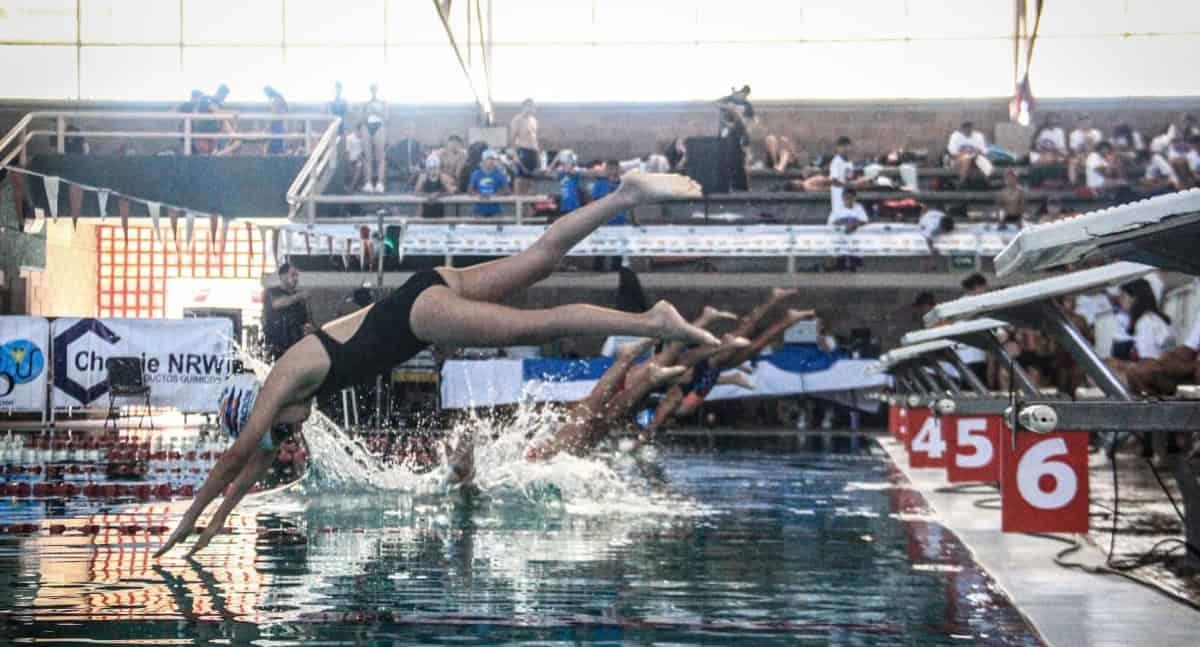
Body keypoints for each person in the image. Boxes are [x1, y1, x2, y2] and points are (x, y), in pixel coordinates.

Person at [154, 172, 719, 557]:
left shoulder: (279, 384)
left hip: (419, 316)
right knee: (539, 260)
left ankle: (651, 323)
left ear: (258, 414)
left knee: (537, 324)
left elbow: (235, 457)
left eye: (280, 433)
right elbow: (252, 468)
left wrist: (185, 519)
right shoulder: (287, 410)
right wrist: (218, 524)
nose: (292, 437)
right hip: (423, 292)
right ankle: (624, 196)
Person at [262, 263, 314, 361]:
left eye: (297, 275)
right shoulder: (272, 292)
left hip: (295, 346)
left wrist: (308, 328)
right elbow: (279, 303)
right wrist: (300, 295)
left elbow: (305, 321)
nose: (296, 278)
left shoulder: (298, 298)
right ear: (282, 276)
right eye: (293, 275)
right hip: (276, 347)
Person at [510, 98, 540, 194]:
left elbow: (535, 139)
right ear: (524, 107)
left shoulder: (534, 120)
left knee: (532, 182)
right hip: (523, 151)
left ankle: (528, 207)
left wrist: (538, 156)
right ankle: (518, 206)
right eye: (531, 106)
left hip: (534, 153)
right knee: (520, 180)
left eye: (533, 106)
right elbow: (512, 139)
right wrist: (515, 156)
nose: (533, 109)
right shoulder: (517, 119)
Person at [362, 84, 388, 193]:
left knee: (380, 157)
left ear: (377, 90)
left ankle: (380, 183)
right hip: (367, 126)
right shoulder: (366, 103)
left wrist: (376, 111)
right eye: (371, 89)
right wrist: (367, 113)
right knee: (367, 156)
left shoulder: (383, 103)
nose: (373, 91)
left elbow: (386, 117)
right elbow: (362, 118)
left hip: (378, 125)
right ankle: (368, 183)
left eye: (375, 89)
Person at [414, 154, 457, 219]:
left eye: (434, 168)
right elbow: (416, 192)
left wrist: (438, 194)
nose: (433, 171)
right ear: (427, 168)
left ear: (438, 168)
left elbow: (451, 192)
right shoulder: (423, 177)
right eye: (430, 168)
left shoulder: (442, 176)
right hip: (426, 209)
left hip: (439, 210)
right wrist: (428, 195)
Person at [718, 103, 750, 192]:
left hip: (736, 158)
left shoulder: (738, 127)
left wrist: (732, 109)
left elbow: (740, 124)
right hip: (728, 158)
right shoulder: (725, 129)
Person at [469, 150, 510, 217]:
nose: (491, 161)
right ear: (483, 160)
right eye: (488, 159)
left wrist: (494, 195)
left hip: (495, 210)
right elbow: (470, 190)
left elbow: (507, 191)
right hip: (479, 210)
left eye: (493, 159)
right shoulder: (476, 174)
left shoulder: (500, 174)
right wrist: (480, 195)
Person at [263, 86, 288, 155]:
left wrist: (267, 127)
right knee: (277, 148)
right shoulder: (278, 99)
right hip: (278, 127)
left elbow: (273, 115)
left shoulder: (277, 100)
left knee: (274, 149)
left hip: (276, 127)